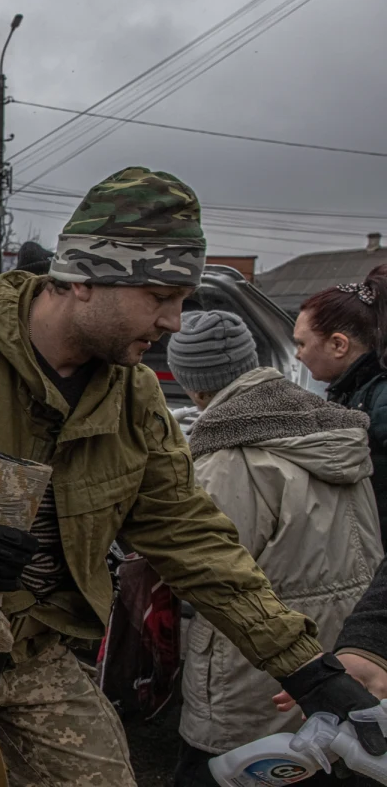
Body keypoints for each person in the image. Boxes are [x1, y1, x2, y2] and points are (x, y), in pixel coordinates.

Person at [0, 166, 387, 786]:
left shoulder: (133, 397)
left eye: (181, 300)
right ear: (84, 280)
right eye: (160, 297)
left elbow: (195, 541)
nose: (174, 321)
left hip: (36, 650)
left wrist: (308, 670)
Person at [167, 310, 382, 787]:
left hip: (259, 668)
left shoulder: (228, 457)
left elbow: (209, 568)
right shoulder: (333, 428)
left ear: (195, 385)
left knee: (229, 772)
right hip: (345, 651)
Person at [293, 265, 387, 547]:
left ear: (338, 345)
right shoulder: (353, 391)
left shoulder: (380, 399)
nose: (296, 355)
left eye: (301, 344)